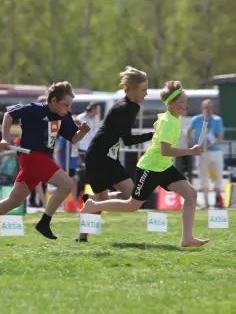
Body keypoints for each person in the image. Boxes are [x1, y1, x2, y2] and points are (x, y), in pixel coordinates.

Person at [79, 80, 209, 248]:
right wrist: (191, 151)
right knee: (132, 205)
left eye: (186, 101)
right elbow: (165, 150)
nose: (185, 105)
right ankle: (93, 204)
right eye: (181, 102)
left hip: (164, 167)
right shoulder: (168, 122)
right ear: (170, 103)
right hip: (150, 168)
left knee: (191, 195)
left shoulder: (173, 118)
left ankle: (187, 238)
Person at [0, 82, 91, 247]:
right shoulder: (35, 109)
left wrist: (81, 132)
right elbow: (8, 114)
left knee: (14, 201)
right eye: (65, 104)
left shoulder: (64, 117)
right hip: (31, 156)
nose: (68, 109)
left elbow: (74, 138)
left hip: (40, 158)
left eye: (70, 105)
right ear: (53, 100)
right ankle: (44, 222)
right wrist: (4, 137)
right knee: (67, 183)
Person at [76, 66, 154, 242]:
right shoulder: (129, 108)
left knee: (103, 200)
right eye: (144, 90)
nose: (146, 93)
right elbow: (128, 139)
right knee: (131, 197)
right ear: (132, 89)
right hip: (99, 157)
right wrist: (153, 135)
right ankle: (86, 224)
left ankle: (82, 236)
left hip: (103, 156)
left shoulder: (126, 105)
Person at [188, 99, 225, 208]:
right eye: (206, 107)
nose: (208, 110)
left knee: (217, 176)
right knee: (203, 177)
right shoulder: (196, 119)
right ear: (202, 108)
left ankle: (218, 199)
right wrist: (191, 145)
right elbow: (188, 131)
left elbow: (220, 137)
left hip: (215, 152)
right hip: (201, 153)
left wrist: (210, 145)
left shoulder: (217, 120)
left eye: (210, 107)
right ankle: (206, 201)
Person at [74, 103, 100, 199]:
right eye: (96, 110)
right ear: (92, 109)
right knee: (82, 173)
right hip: (81, 149)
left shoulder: (95, 119)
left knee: (91, 172)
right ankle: (78, 194)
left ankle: (88, 194)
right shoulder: (80, 118)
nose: (97, 113)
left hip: (91, 149)